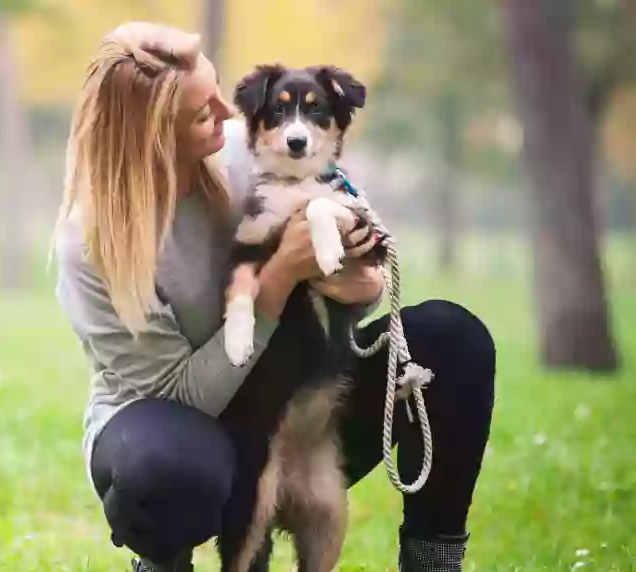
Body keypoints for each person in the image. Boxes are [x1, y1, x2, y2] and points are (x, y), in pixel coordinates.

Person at [53, 21, 496, 572]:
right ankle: (165, 560)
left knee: (451, 340)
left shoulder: (260, 146)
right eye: (201, 112)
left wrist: (363, 285)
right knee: (164, 472)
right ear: (152, 136)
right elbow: (178, 394)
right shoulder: (91, 242)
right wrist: (279, 277)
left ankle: (433, 561)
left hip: (301, 394)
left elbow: (351, 260)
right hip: (185, 425)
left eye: (216, 91)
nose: (227, 113)